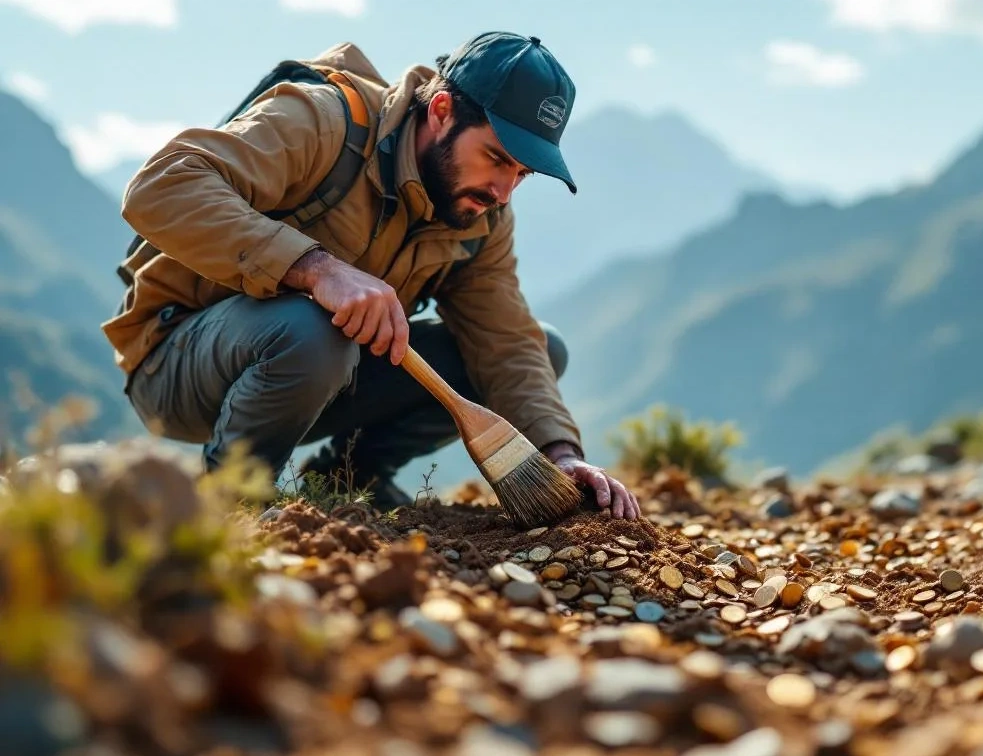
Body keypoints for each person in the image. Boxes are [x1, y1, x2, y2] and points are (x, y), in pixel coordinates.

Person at [102, 32, 641, 519]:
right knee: (313, 328)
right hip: (179, 362)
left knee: (544, 349)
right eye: (496, 157)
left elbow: (506, 343)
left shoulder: (481, 218)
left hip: (324, 374)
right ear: (443, 110)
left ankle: (348, 476)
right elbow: (162, 186)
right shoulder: (320, 121)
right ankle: (234, 506)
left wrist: (560, 455)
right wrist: (315, 269)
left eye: (522, 173)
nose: (503, 191)